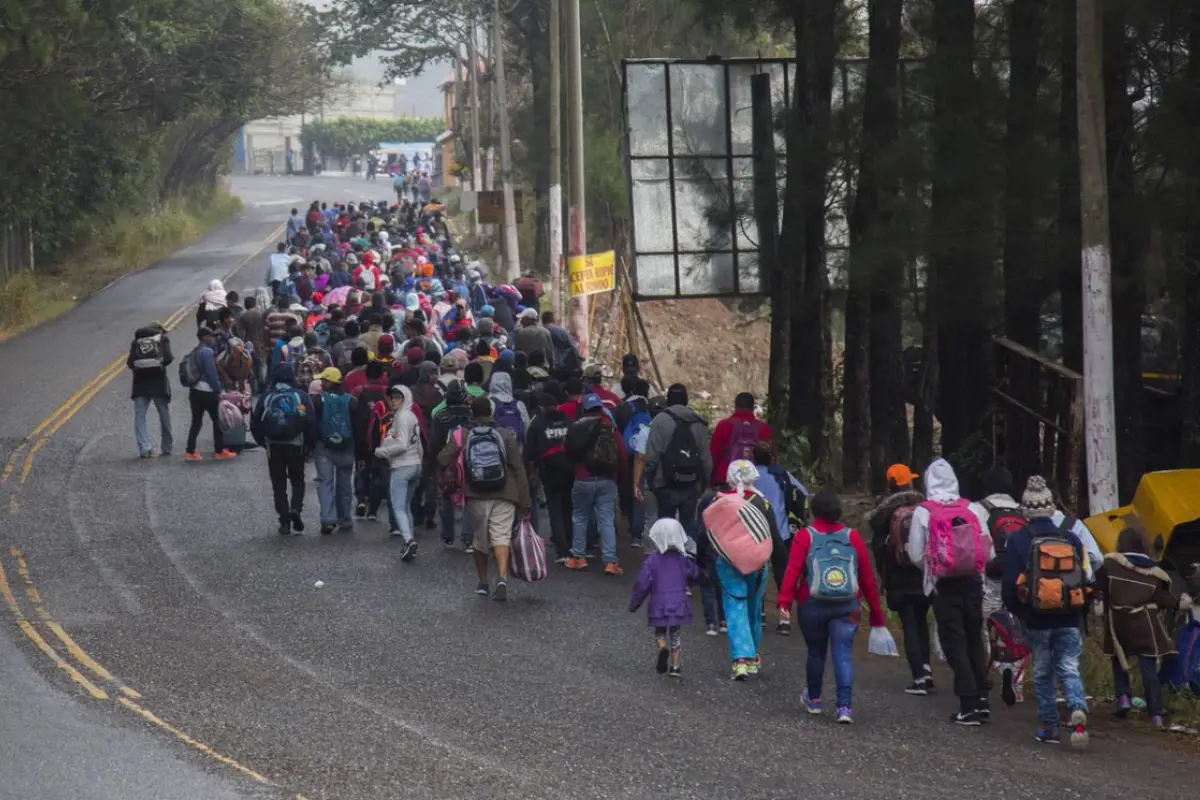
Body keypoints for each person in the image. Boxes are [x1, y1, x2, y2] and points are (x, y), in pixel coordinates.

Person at [779, 488, 886, 723]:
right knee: (843, 655)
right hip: (847, 604)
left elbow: (793, 570)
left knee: (816, 652)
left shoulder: (806, 536)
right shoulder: (852, 537)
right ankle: (844, 707)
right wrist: (877, 615)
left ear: (814, 511)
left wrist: (784, 601)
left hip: (812, 602)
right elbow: (866, 577)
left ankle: (814, 700)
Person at [1002, 475, 1089, 747]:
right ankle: (1077, 710)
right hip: (1070, 616)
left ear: (1025, 509)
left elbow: (1009, 584)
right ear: (1050, 507)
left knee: (1042, 672)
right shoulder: (1071, 538)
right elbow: (1085, 577)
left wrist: (1018, 612)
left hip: (1037, 618)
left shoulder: (1018, 540)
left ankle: (1049, 727)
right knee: (1069, 666)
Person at [906, 458, 993, 725]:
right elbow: (987, 550)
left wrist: (935, 567)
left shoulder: (924, 511)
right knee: (974, 639)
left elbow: (915, 553)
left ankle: (967, 703)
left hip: (944, 585)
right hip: (973, 583)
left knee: (953, 641)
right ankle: (982, 698)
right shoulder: (974, 509)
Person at [1097, 522, 1192, 730]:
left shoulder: (1110, 565)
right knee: (1147, 667)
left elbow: (1100, 587)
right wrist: (1181, 603)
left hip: (1118, 622)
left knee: (1118, 658)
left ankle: (1123, 697)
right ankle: (1156, 713)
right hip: (1144, 624)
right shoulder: (1154, 573)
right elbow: (1163, 599)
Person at [438, 395, 531, 600]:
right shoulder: (506, 435)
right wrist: (525, 503)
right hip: (505, 492)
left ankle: (482, 582)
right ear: (491, 411)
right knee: (501, 536)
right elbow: (519, 469)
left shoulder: (462, 433)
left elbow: (442, 457)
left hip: (476, 493)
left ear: (472, 412)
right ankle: (502, 577)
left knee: (480, 539)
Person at [706, 461, 778, 681]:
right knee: (754, 608)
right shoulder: (762, 503)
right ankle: (753, 655)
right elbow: (773, 537)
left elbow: (706, 534)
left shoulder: (719, 501)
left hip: (727, 564)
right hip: (758, 565)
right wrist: (785, 577)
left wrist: (703, 561)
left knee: (735, 607)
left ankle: (740, 661)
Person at [867, 463, 931, 694]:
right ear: (909, 482)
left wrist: (882, 574)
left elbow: (878, 547)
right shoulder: (923, 508)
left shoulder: (883, 514)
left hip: (898, 576)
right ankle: (927, 668)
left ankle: (919, 677)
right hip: (923, 574)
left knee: (909, 624)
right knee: (922, 621)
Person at [564, 393, 627, 575]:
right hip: (607, 479)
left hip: (582, 478)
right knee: (606, 519)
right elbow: (622, 455)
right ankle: (610, 562)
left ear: (583, 409)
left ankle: (579, 558)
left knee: (580, 517)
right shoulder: (610, 428)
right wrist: (619, 477)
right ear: (601, 408)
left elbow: (566, 451)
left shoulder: (576, 427)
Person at [250, 362, 315, 536]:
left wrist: (263, 442)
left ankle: (284, 520)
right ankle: (295, 508)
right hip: (295, 444)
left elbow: (255, 421)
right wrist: (308, 444)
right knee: (297, 480)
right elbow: (311, 420)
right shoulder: (301, 396)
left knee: (278, 484)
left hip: (274, 445)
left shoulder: (267, 396)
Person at [629, 518, 699, 678]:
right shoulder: (682, 559)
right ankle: (675, 666)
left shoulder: (652, 560)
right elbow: (694, 573)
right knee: (675, 634)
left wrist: (634, 604)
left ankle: (662, 648)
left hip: (659, 603)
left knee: (660, 632)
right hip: (678, 603)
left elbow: (642, 584)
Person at [643, 383, 711, 542]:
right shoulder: (699, 423)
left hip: (665, 484)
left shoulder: (660, 421)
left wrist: (651, 482)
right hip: (691, 484)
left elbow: (651, 457)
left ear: (668, 400)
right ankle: (688, 561)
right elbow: (706, 460)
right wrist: (702, 484)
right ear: (686, 400)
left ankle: (667, 563)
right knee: (688, 526)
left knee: (666, 527)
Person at [752, 441, 808, 634]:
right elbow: (803, 493)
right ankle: (784, 618)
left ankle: (759, 613)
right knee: (783, 576)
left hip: (754, 533)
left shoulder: (748, 476)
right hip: (781, 532)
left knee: (756, 573)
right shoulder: (782, 475)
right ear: (772, 458)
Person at [374, 385, 422, 560]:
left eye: (397, 398)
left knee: (398, 507)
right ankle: (410, 541)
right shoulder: (412, 416)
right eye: (392, 398)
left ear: (405, 398)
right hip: (415, 464)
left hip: (402, 466)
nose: (393, 401)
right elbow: (418, 444)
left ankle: (409, 540)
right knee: (406, 506)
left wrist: (382, 452)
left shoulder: (401, 417)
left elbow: (401, 445)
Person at [525, 391, 574, 564]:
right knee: (568, 507)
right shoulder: (568, 421)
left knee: (555, 508)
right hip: (569, 469)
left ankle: (562, 549)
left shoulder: (538, 423)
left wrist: (531, 473)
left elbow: (529, 452)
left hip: (549, 470)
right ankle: (571, 544)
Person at [312, 367, 357, 535]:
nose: (321, 383)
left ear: (331, 382)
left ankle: (328, 520)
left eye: (324, 380)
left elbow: (312, 424)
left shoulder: (318, 400)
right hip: (347, 447)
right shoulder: (351, 401)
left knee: (325, 482)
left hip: (324, 446)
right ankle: (345, 519)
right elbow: (357, 427)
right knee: (344, 484)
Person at [430, 380, 475, 550]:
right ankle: (468, 537)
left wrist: (436, 462)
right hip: (468, 461)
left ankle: (448, 535)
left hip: (446, 462)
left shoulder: (440, 416)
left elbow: (434, 443)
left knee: (447, 498)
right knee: (469, 498)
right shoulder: (471, 416)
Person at [184, 328, 235, 462]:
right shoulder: (207, 352)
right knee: (218, 420)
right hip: (207, 391)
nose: (213, 339)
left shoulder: (195, 351)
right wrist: (218, 391)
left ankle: (190, 451)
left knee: (196, 421)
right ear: (205, 338)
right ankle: (219, 450)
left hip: (195, 390)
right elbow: (211, 374)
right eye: (211, 336)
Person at [128, 323, 174, 458]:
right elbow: (169, 358)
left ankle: (145, 448)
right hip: (159, 382)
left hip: (140, 384)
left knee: (140, 416)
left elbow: (130, 363)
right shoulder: (162, 340)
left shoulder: (136, 341)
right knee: (164, 415)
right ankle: (166, 447)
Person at [708, 392, 772, 487]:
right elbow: (771, 458)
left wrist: (710, 482)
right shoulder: (764, 429)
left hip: (727, 480)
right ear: (753, 407)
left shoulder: (724, 425)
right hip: (755, 482)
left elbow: (713, 455)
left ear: (735, 406)